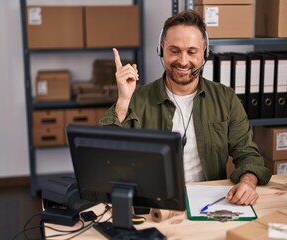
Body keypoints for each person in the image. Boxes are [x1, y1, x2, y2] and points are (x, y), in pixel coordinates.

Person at [100, 10, 272, 206]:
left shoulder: (225, 98)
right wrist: (123, 100)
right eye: (174, 50)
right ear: (161, 48)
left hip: (210, 202)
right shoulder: (137, 97)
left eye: (192, 52)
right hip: (152, 202)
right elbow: (106, 156)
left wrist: (247, 183)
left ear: (205, 52)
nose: (183, 61)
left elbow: (248, 155)